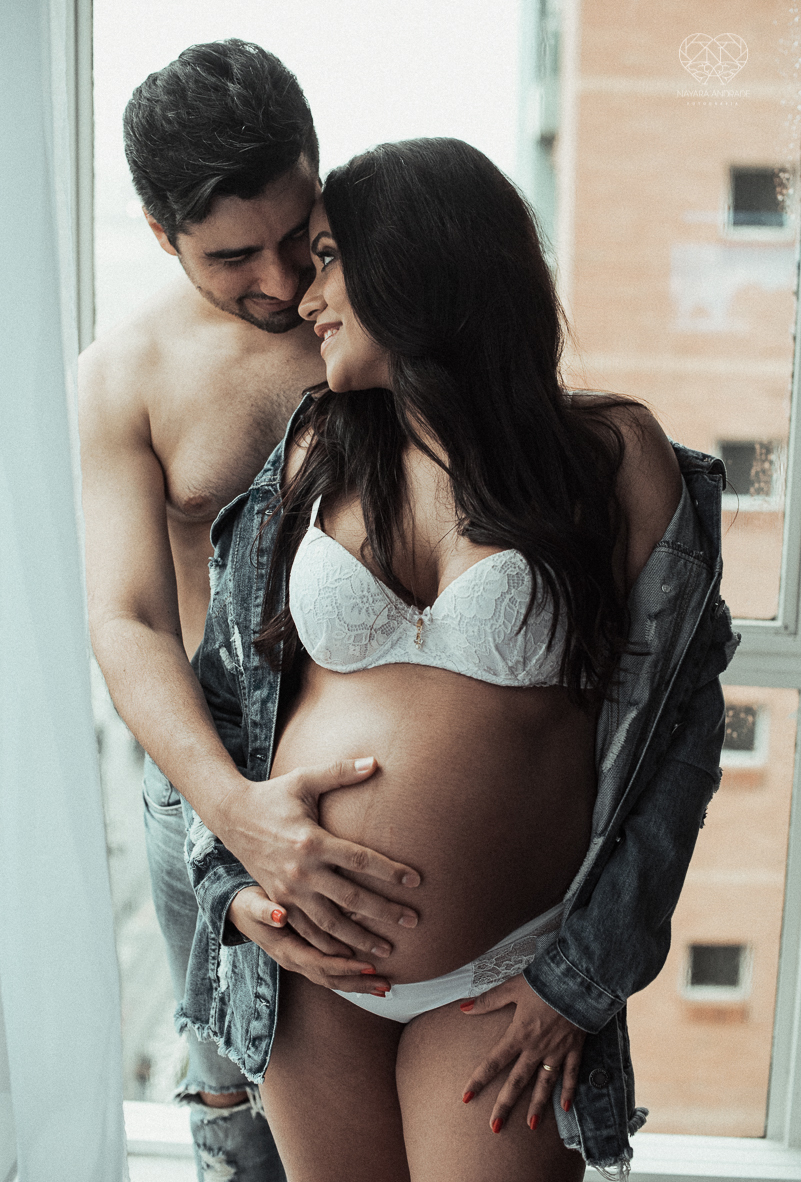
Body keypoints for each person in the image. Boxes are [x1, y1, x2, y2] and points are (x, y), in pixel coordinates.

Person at [177, 138, 739, 1180]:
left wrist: (584, 976)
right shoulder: (316, 453)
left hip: (504, 978)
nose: (307, 296)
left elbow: (682, 740)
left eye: (333, 255)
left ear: (421, 262)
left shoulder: (611, 458)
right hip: (308, 972)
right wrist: (233, 890)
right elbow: (221, 707)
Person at [79, 41, 425, 1182]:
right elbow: (126, 619)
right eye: (233, 257)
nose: (282, 281)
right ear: (159, 232)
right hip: (210, 788)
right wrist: (237, 814)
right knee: (236, 1107)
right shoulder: (124, 376)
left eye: (297, 232)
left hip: (397, 798)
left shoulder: (403, 302)